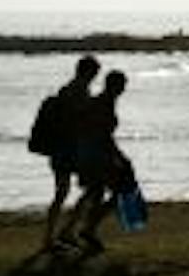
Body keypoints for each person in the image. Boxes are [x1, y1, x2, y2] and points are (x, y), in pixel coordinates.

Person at [63, 70, 131, 256]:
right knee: (117, 191)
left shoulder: (103, 102)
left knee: (95, 192)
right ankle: (87, 229)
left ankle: (78, 229)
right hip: (95, 156)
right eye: (122, 85)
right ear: (114, 86)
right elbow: (102, 135)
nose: (124, 89)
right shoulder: (103, 104)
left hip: (91, 154)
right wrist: (119, 157)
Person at [42, 55, 101, 251]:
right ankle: (64, 233)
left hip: (61, 149)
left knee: (63, 192)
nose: (95, 77)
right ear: (88, 72)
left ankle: (56, 236)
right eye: (94, 73)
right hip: (69, 150)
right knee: (89, 188)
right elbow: (79, 121)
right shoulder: (78, 91)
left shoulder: (68, 89)